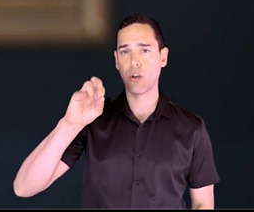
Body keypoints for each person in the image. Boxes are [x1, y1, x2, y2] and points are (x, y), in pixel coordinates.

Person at [12, 13, 218, 209]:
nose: (134, 61)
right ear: (116, 60)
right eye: (125, 51)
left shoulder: (191, 128)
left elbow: (203, 203)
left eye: (144, 50)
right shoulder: (94, 120)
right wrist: (69, 124)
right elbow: (24, 187)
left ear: (163, 57)